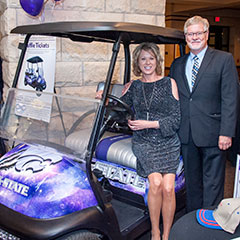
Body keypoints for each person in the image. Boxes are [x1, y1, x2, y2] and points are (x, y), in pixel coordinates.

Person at [169, 16, 239, 213]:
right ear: (185, 37)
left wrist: (227, 132)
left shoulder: (224, 60)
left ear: (207, 34)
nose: (195, 37)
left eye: (199, 33)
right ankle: (193, 220)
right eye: (190, 34)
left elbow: (230, 98)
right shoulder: (177, 64)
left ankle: (210, 221)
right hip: (186, 134)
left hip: (214, 134)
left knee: (213, 183)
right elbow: (168, 94)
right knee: (191, 183)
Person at [120, 42, 181, 240]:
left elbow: (175, 120)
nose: (147, 62)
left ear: (157, 60)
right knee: (155, 183)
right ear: (138, 62)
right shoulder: (135, 86)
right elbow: (120, 109)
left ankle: (167, 234)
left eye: (151, 58)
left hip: (167, 141)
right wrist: (104, 97)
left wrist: (149, 124)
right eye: (143, 58)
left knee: (169, 187)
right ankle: (155, 231)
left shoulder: (169, 83)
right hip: (144, 142)